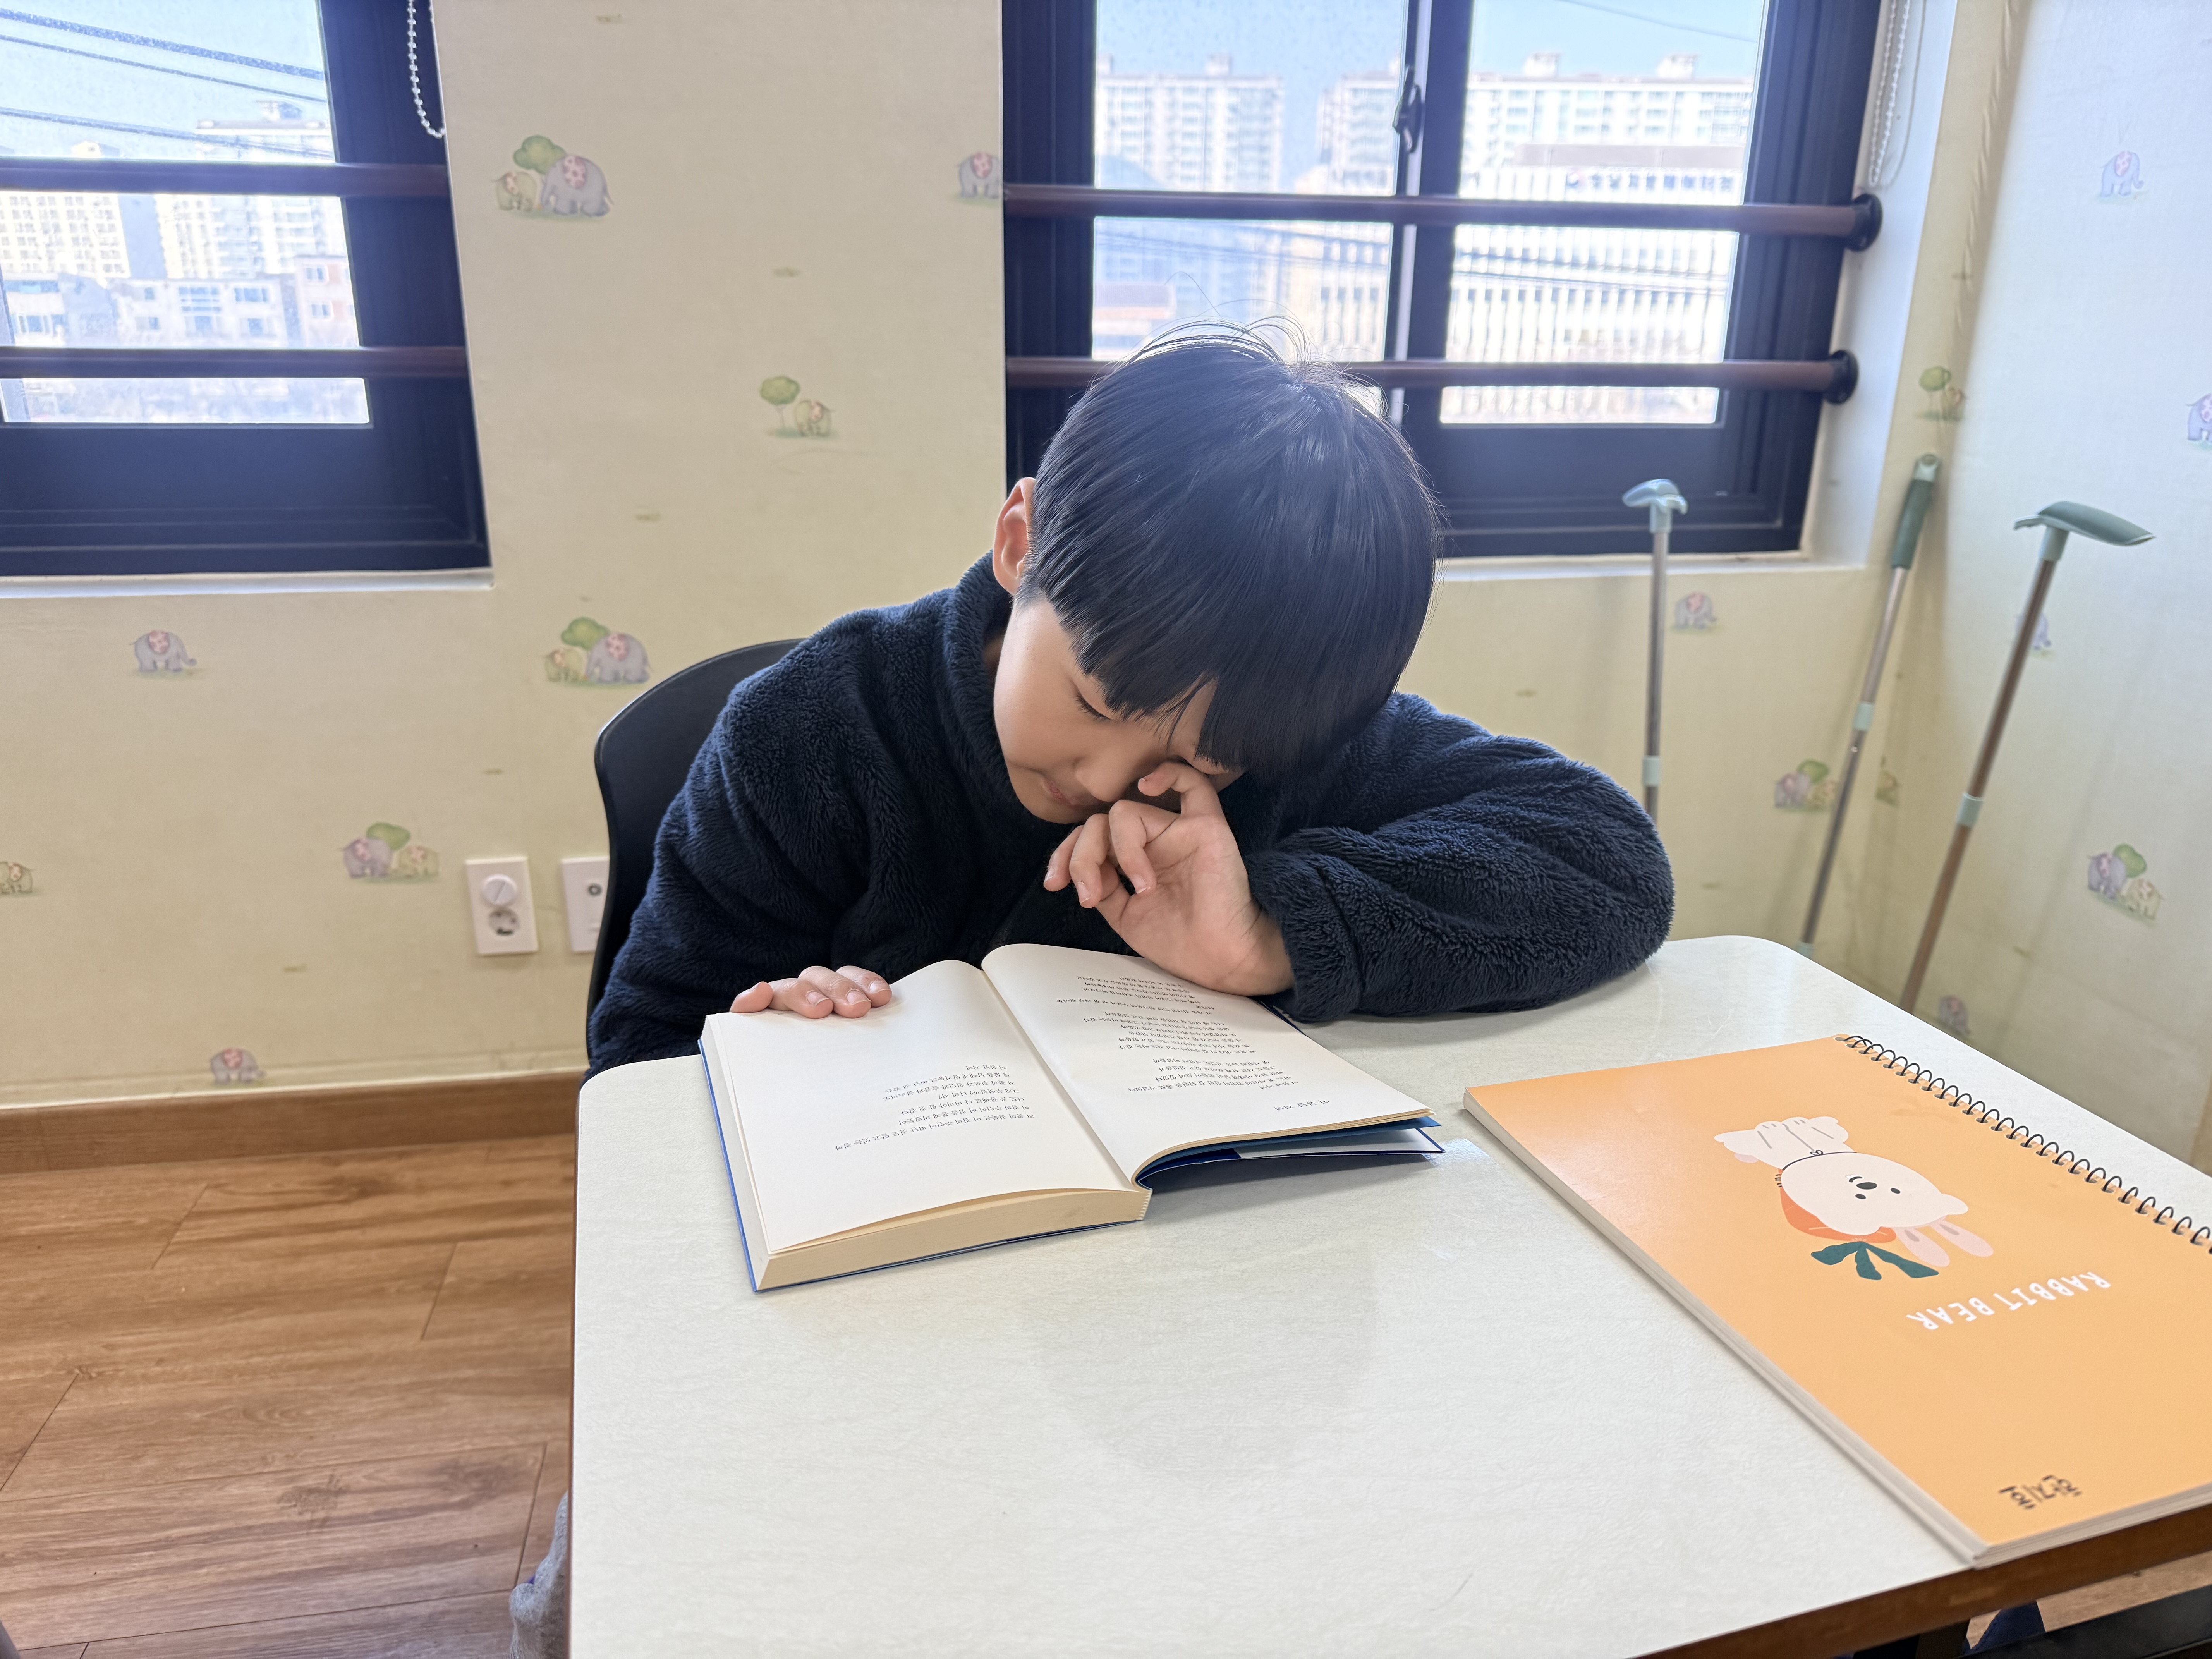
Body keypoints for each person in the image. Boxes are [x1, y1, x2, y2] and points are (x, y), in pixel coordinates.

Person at [587, 332, 1672, 1072]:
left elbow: (1610, 863)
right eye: (1096, 701)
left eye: (1207, 759)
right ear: (1022, 543)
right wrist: (757, 1046)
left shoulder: (1283, 726)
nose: (1110, 781)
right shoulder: (810, 734)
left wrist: (1271, 934)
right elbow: (640, 1048)